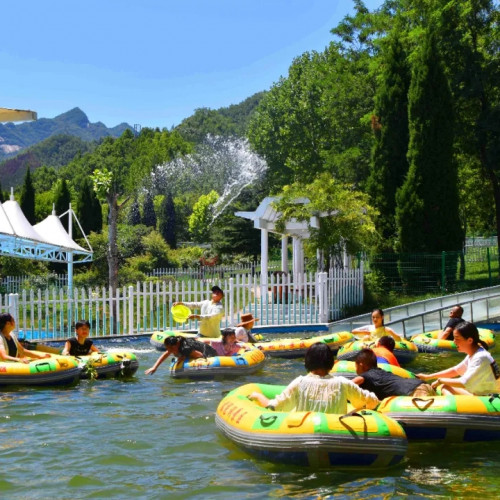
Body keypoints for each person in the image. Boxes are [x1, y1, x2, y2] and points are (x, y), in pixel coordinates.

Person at [249, 343, 379, 414]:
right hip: (336, 438)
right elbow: (371, 401)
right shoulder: (343, 383)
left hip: (304, 437)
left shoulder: (299, 383)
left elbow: (274, 407)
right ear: (331, 363)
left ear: (308, 362)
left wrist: (258, 396)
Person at [417, 321, 500, 395]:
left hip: (489, 398)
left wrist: (440, 380)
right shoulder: (475, 354)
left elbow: (464, 382)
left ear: (470, 340)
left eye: (457, 338)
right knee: (444, 386)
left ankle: (454, 411)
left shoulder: (480, 357)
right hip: (482, 394)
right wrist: (428, 377)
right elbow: (455, 370)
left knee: (445, 386)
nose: (454, 341)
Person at [353, 348, 435, 400]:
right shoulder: (382, 372)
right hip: (423, 385)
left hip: (415, 392)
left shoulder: (366, 375)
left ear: (361, 365)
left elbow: (350, 383)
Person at [145, 335, 218, 375]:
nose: (170, 351)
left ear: (177, 344)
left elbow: (200, 355)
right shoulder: (175, 345)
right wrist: (154, 367)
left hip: (209, 353)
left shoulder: (185, 348)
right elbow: (165, 355)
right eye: (168, 349)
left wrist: (184, 357)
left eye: (171, 349)